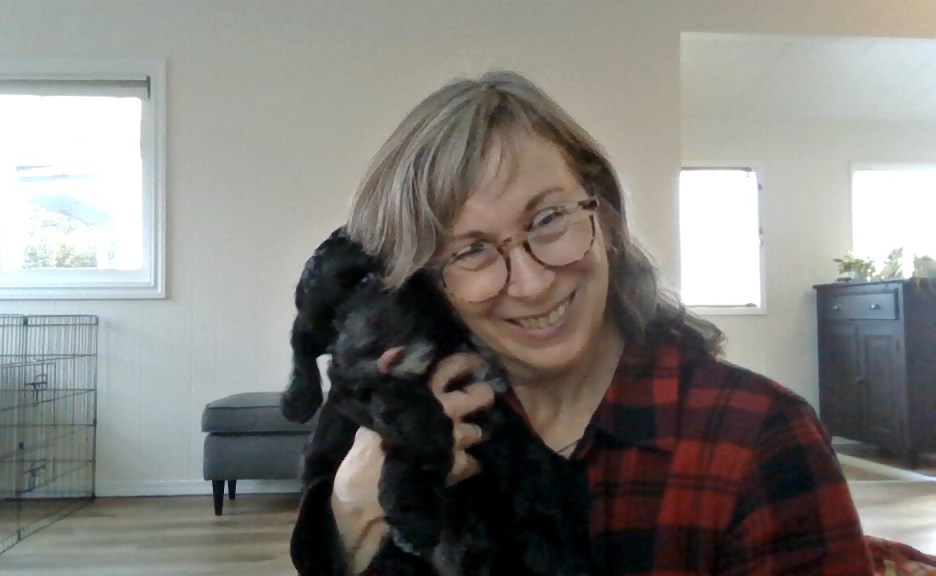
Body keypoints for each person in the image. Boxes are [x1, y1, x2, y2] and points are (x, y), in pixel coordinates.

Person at [289, 70, 873, 575]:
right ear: (425, 282)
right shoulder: (388, 425)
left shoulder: (760, 435)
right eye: (471, 251)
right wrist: (351, 513)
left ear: (606, 215)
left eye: (548, 219)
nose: (531, 282)